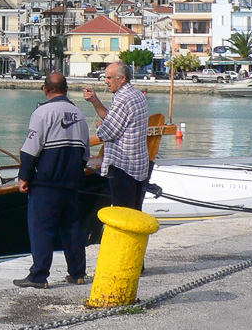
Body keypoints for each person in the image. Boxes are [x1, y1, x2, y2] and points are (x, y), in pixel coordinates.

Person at [13, 72, 91, 289]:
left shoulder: (42, 113)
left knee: (41, 229)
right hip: (71, 182)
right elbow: (85, 152)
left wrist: (24, 177)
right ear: (66, 89)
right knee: (72, 228)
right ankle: (78, 273)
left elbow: (30, 149)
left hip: (46, 183)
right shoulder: (79, 114)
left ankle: (39, 276)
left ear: (45, 90)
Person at [83, 61, 151, 210]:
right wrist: (95, 101)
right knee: (134, 211)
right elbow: (117, 121)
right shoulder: (137, 94)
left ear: (123, 78)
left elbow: (107, 132)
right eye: (106, 78)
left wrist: (101, 128)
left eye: (110, 78)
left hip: (123, 167)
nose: (106, 82)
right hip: (138, 166)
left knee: (123, 213)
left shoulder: (123, 99)